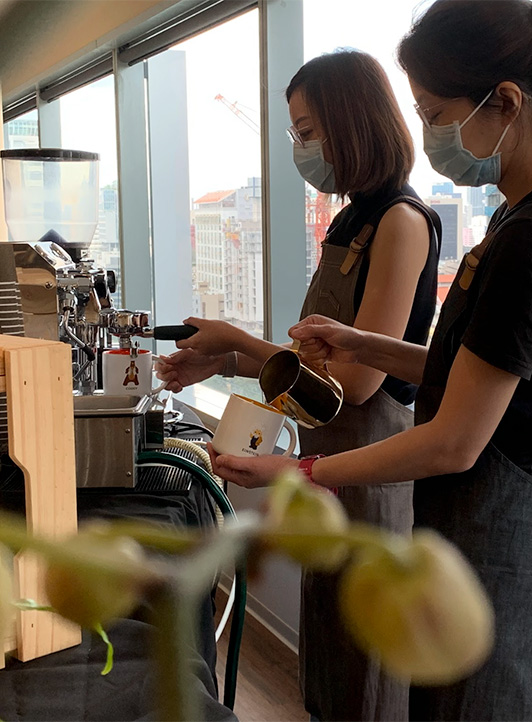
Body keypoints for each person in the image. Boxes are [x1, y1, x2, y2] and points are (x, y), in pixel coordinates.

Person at [209, 1, 532, 719]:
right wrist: (364, 343)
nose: (431, 135)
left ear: (503, 102)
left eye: (437, 113)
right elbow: (474, 368)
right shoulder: (524, 215)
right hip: (476, 539)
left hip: (508, 552)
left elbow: (455, 438)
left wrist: (301, 471)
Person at [157, 50, 441, 721]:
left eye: (310, 131)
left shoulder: (401, 220)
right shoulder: (350, 222)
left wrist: (234, 338)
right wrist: (224, 361)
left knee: (362, 659)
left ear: (353, 123)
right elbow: (310, 362)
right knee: (331, 651)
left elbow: (357, 381)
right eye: (297, 133)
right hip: (323, 455)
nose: (302, 148)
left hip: (369, 460)